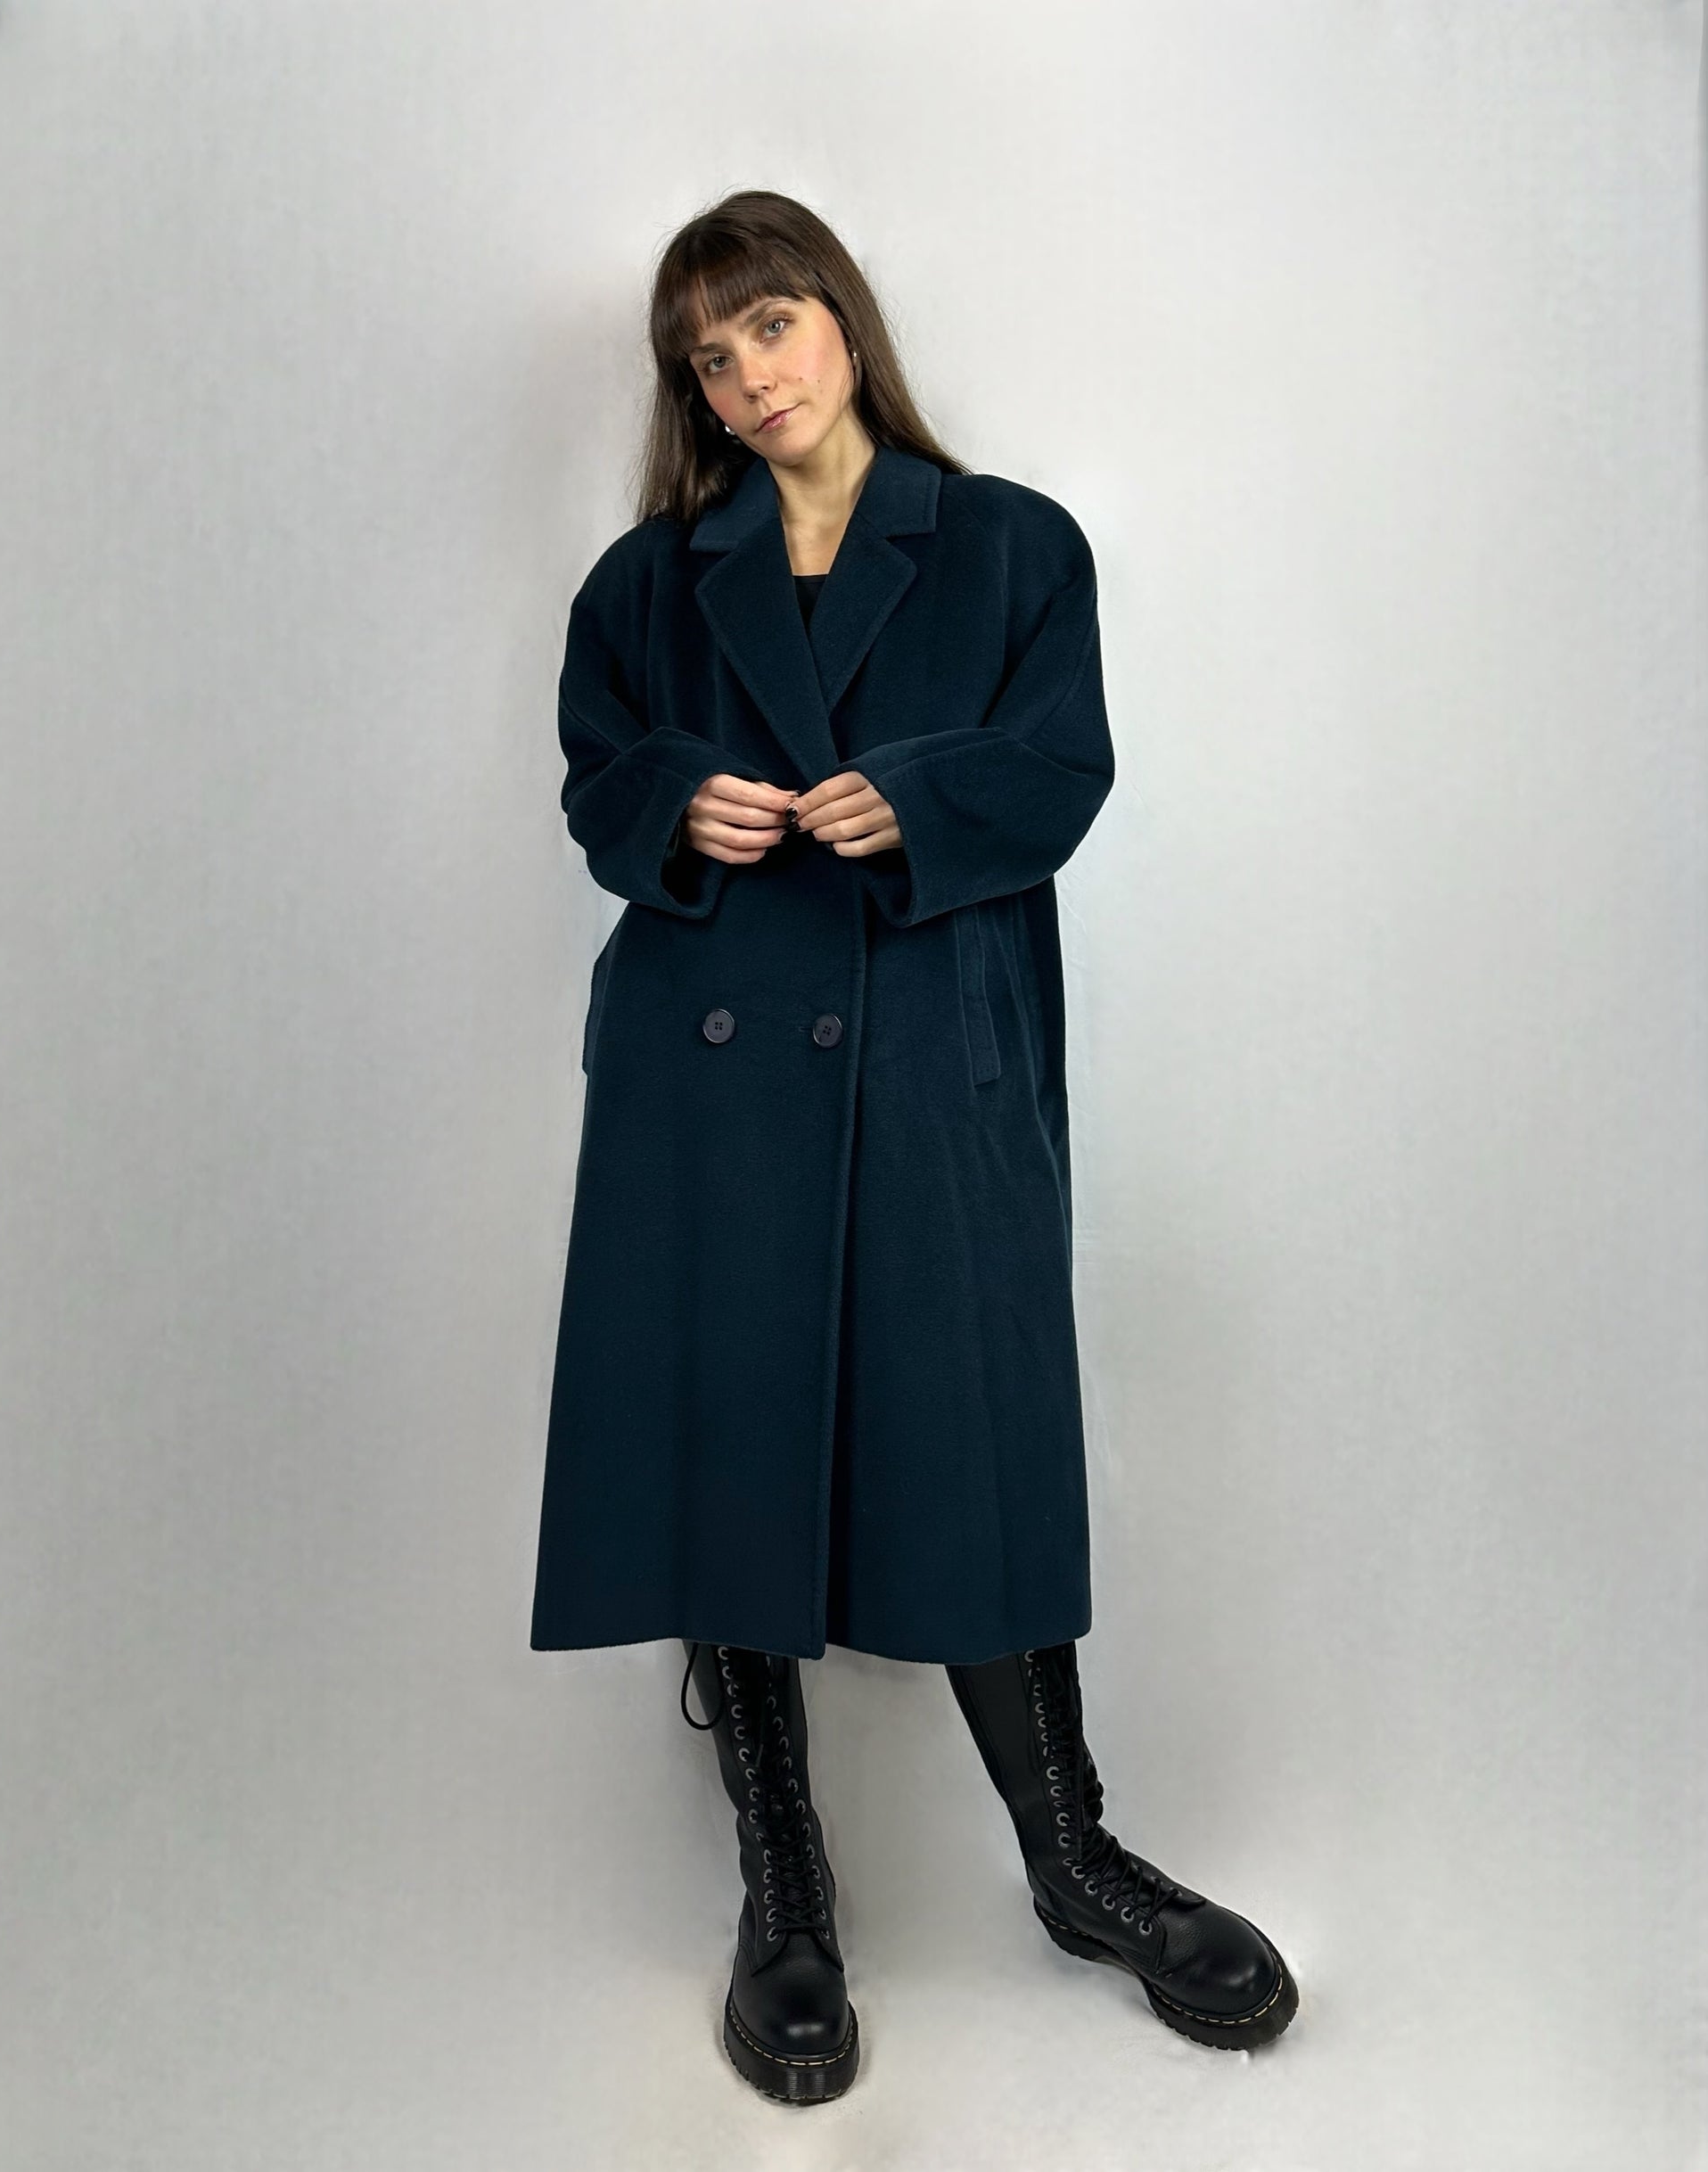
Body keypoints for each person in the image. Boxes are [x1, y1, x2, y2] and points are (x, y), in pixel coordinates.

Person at [530, 189, 1298, 2102]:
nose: (745, 376)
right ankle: (783, 1889)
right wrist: (671, 800)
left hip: (931, 1048)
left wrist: (921, 799)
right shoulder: (648, 580)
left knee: (974, 1435)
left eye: (769, 325)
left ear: (843, 321)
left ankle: (1071, 1859)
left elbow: (1062, 764)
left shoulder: (1011, 543)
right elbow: (594, 768)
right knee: (729, 1426)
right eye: (707, 357)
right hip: (708, 1071)